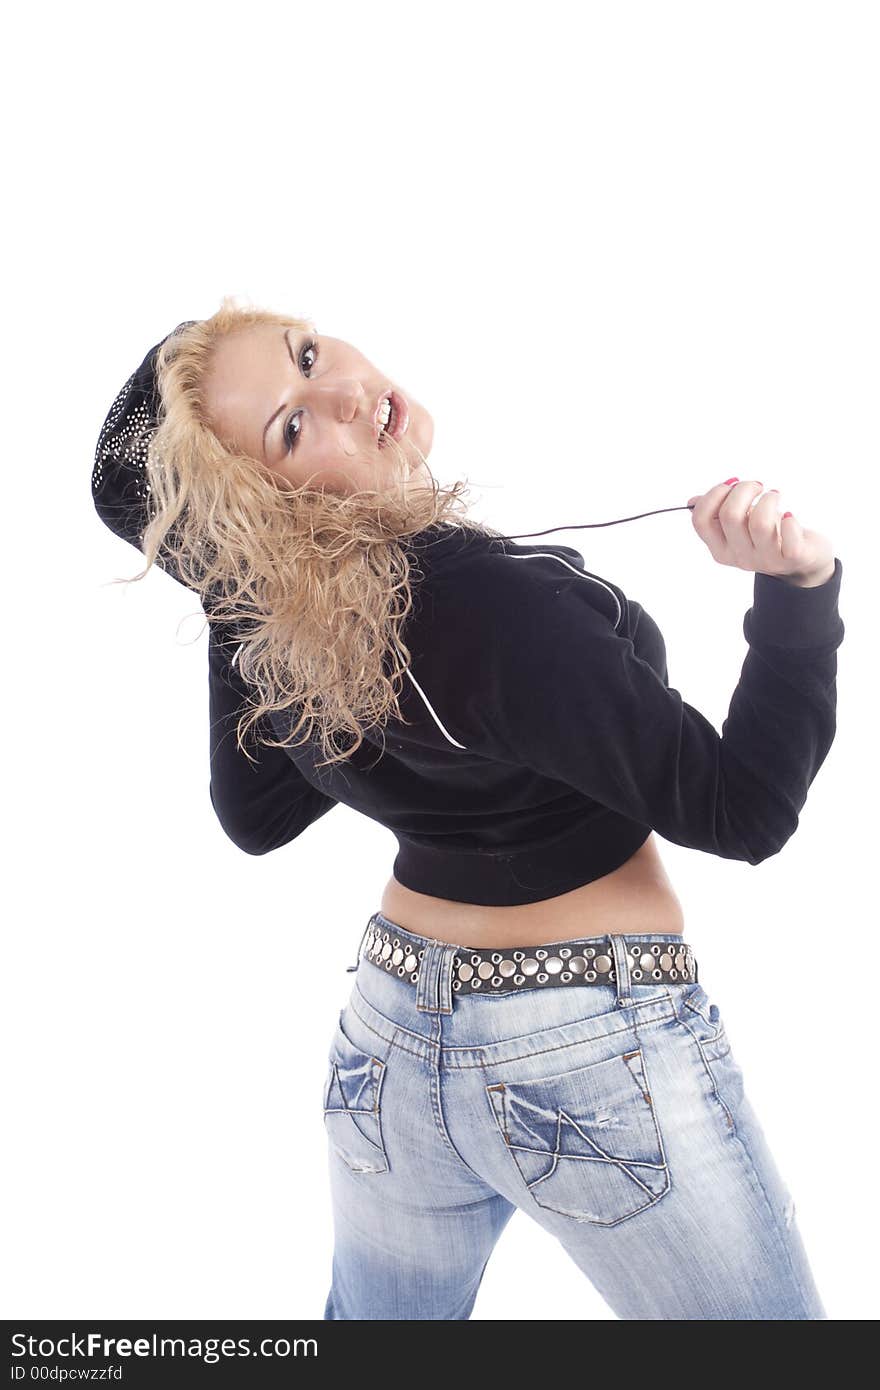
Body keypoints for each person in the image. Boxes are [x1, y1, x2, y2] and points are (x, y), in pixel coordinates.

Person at [92, 296, 843, 1320]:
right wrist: (797, 591)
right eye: (292, 426)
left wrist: (241, 588)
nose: (347, 391)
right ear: (255, 516)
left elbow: (255, 811)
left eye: (307, 355)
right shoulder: (485, 606)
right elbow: (742, 810)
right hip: (586, 1054)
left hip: (389, 1041)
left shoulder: (302, 617)